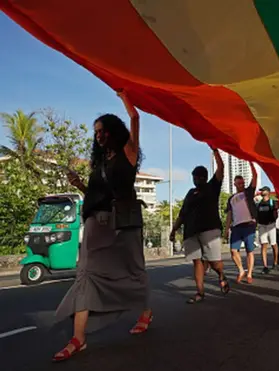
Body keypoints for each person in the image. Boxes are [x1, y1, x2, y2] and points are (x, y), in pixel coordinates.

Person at [53, 91, 152, 362]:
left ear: (113, 131)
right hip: (97, 223)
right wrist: (80, 186)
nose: (98, 135)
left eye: (102, 130)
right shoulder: (98, 163)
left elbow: (135, 117)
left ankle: (145, 311)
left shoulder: (128, 153)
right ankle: (78, 338)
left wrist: (123, 94)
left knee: (133, 269)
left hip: (124, 224)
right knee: (86, 273)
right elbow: (97, 195)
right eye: (95, 132)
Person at [169, 147, 230, 304]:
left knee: (214, 262)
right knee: (197, 261)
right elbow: (182, 214)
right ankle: (200, 292)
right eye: (195, 177)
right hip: (191, 232)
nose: (196, 179)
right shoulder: (190, 193)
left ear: (205, 177)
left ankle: (221, 275)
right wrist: (174, 230)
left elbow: (221, 169)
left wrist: (215, 151)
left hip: (210, 229)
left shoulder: (213, 187)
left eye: (200, 177)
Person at [224, 164, 258, 284]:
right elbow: (229, 214)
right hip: (236, 227)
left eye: (243, 183)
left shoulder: (248, 192)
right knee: (233, 251)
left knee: (249, 251)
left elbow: (255, 176)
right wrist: (226, 229)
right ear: (234, 184)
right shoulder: (231, 198)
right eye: (239, 183)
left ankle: (249, 273)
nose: (241, 185)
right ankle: (241, 270)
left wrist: (251, 163)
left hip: (249, 225)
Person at [256, 186, 279, 274]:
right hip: (262, 225)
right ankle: (265, 266)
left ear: (268, 192)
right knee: (263, 245)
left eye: (263, 190)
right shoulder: (258, 203)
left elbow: (276, 214)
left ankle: (275, 262)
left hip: (271, 225)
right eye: (261, 191)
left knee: (273, 244)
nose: (261, 192)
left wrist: (275, 212)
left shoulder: (272, 202)